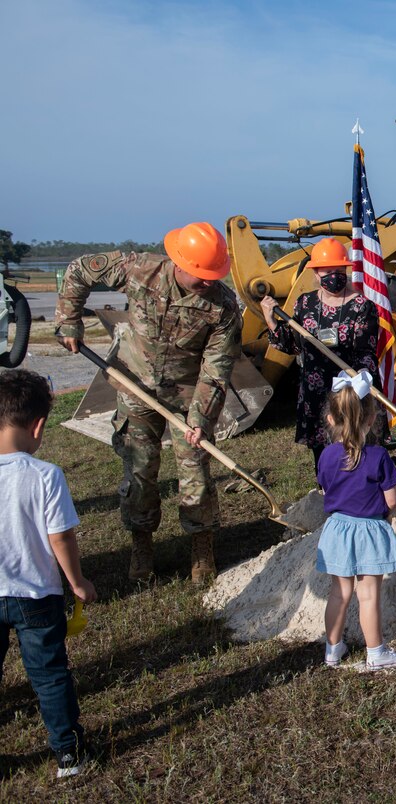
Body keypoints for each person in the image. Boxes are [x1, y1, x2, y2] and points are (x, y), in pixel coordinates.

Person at [55, 222, 242, 583]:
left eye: (213, 275)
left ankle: (201, 544)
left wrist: (201, 418)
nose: (208, 282)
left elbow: (217, 369)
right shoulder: (140, 269)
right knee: (139, 470)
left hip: (188, 397)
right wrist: (69, 320)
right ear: (179, 261)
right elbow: (80, 269)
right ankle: (141, 543)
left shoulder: (223, 306)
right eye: (200, 274)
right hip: (135, 385)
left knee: (197, 472)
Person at [0, 370, 97, 778]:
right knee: (50, 675)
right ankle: (69, 754)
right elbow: (61, 539)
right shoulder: (45, 475)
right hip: (37, 597)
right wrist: (77, 582)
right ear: (39, 426)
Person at [260, 237, 381, 471]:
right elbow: (292, 344)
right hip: (315, 394)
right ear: (316, 273)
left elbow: (366, 352)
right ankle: (327, 494)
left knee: (354, 454)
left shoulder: (362, 306)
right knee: (324, 459)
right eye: (327, 271)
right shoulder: (305, 304)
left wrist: (361, 382)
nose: (333, 276)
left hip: (348, 394)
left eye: (339, 270)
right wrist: (270, 319)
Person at [316, 371, 396, 673]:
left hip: (338, 529)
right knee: (368, 595)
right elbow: (392, 499)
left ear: (331, 419)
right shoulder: (379, 456)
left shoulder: (326, 457)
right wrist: (388, 512)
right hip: (368, 530)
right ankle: (376, 651)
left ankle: (332, 649)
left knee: (338, 593)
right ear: (371, 420)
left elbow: (327, 487)